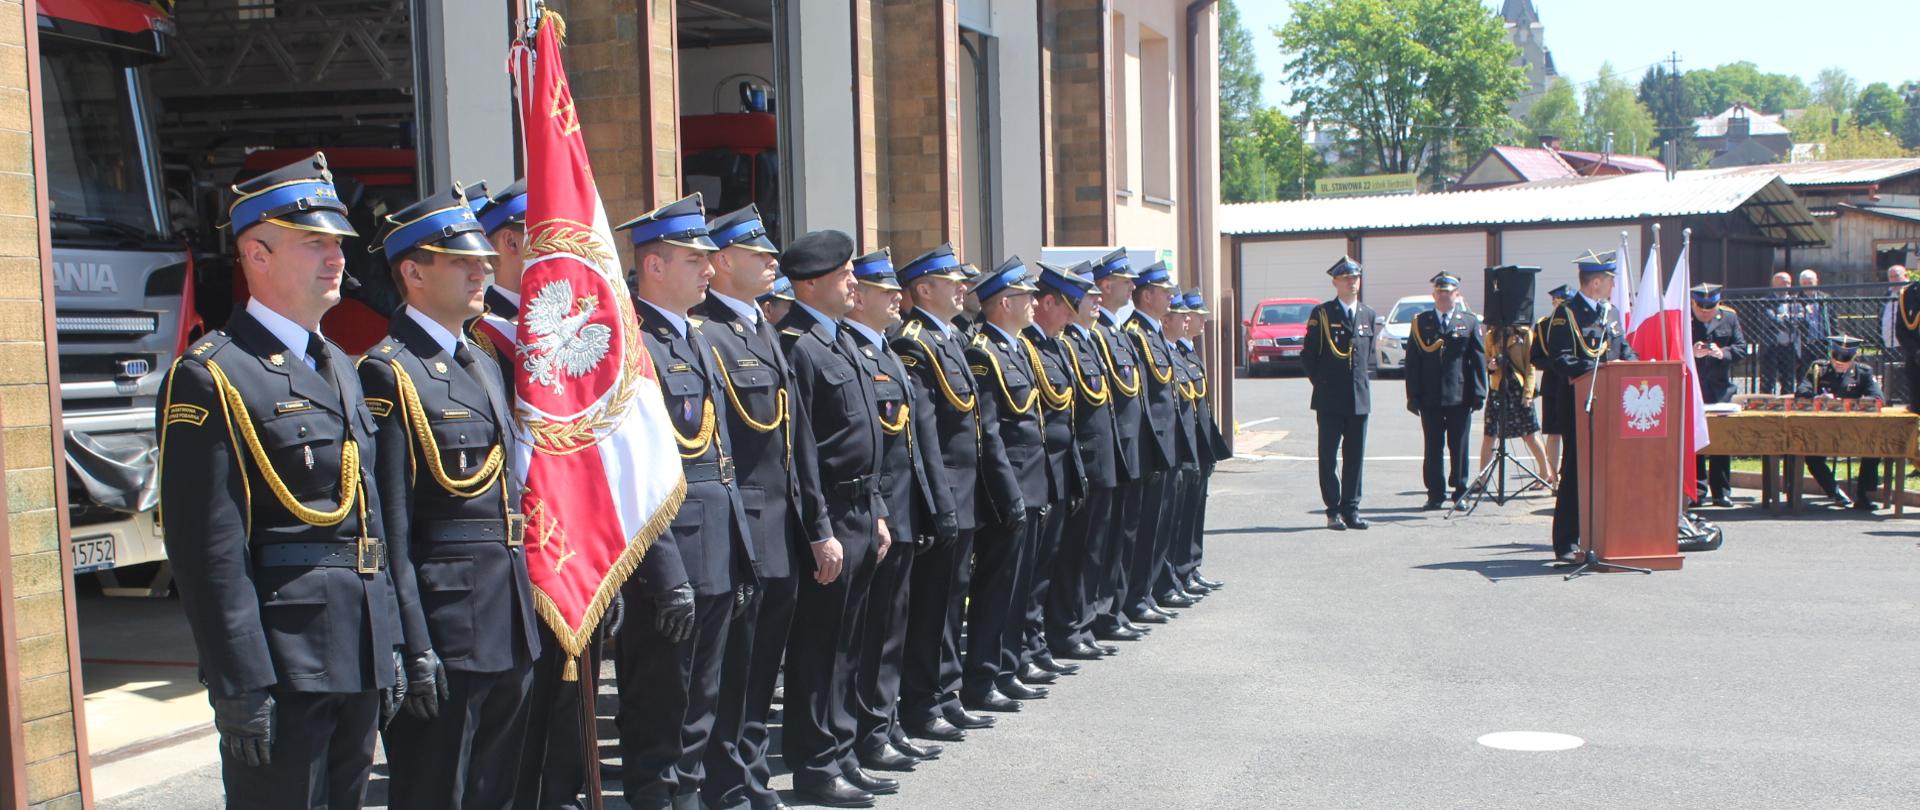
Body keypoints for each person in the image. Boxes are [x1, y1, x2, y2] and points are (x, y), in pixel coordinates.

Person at [157, 152, 407, 807]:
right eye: (313, 243)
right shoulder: (215, 374)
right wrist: (238, 680)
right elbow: (207, 547)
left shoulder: (343, 367)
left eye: (337, 244)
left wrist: (390, 643)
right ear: (257, 255)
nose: (336, 258)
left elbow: (369, 517)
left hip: (354, 648)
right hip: (282, 658)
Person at [358, 186, 539, 810]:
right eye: (461, 261)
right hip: (445, 622)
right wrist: (413, 642)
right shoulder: (389, 371)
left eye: (483, 261)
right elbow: (392, 527)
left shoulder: (481, 361)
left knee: (495, 788)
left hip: (506, 616)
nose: (481, 270)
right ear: (413, 272)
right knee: (437, 789)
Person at [613, 193, 760, 810]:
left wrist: (741, 556)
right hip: (670, 559)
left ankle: (688, 798)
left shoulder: (695, 339)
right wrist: (665, 573)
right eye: (695, 258)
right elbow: (636, 474)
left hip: (718, 549)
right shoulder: (632, 345)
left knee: (702, 704)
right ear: (653, 266)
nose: (709, 268)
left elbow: (720, 459)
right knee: (661, 706)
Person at [694, 204, 835, 810]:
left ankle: (750, 775)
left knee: (761, 671)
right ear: (723, 263)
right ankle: (726, 784)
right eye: (759, 254)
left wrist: (817, 526)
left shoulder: (763, 333)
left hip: (778, 528)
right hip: (738, 531)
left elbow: (796, 442)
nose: (772, 262)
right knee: (728, 674)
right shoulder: (706, 334)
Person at [776, 229, 896, 808]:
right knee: (818, 648)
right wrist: (820, 531)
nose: (855, 281)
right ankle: (816, 764)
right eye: (845, 274)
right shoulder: (798, 345)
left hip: (858, 506)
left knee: (848, 644)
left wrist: (874, 511)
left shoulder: (839, 339)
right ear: (811, 283)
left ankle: (843, 750)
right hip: (825, 513)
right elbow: (803, 454)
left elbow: (863, 439)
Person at [843, 248, 956, 776]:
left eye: (896, 290)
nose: (896, 299)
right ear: (857, 296)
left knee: (892, 630)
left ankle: (884, 725)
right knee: (869, 635)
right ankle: (868, 731)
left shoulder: (885, 352)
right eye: (884, 291)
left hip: (903, 510)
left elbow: (914, 441)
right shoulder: (857, 352)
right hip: (878, 510)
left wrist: (930, 506)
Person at [960, 258, 1045, 712]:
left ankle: (1008, 667)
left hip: (1031, 482)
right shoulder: (983, 353)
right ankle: (983, 676)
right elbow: (989, 433)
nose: (1033, 304)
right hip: (1006, 487)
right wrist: (1008, 491)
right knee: (995, 588)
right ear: (1004, 303)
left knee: (1018, 585)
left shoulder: (1016, 348)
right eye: (1025, 298)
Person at [1013, 263, 1090, 685]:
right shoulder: (1025, 347)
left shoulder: (1056, 347)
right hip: (1037, 470)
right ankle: (1025, 647)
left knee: (1045, 569)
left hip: (1059, 469)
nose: (1073, 316)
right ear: (1047, 302)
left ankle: (1035, 642)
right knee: (1030, 572)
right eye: (1068, 307)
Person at [1046, 261, 1125, 663]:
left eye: (1095, 296)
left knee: (1094, 548)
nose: (1093, 302)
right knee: (1074, 552)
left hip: (1098, 458)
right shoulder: (1066, 344)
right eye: (1085, 297)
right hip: (1082, 460)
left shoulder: (1086, 341)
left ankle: (1086, 619)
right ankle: (1069, 625)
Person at [1544, 250, 1638, 563]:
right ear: (1596, 282)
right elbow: (1560, 360)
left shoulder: (1609, 313)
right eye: (1611, 280)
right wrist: (1594, 369)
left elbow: (1624, 350)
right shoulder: (1566, 315)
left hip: (1612, 406)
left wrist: (1638, 367)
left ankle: (1607, 536)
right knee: (1574, 472)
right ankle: (1567, 542)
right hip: (1578, 406)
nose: (1614, 286)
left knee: (1611, 472)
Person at [1087, 249, 1153, 643]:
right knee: (1104, 538)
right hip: (1111, 449)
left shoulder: (1117, 332)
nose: (1133, 286)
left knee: (1124, 532)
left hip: (1130, 446)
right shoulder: (1098, 334)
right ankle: (1102, 612)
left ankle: (1116, 605)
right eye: (1125, 281)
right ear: (1105, 284)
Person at [1302, 256, 1378, 530]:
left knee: (1355, 455)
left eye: (1355, 277)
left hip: (1358, 397)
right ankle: (1333, 509)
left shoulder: (1368, 314)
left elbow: (1367, 357)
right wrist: (1322, 384)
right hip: (1330, 397)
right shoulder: (1322, 314)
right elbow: (1309, 356)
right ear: (1335, 282)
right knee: (1329, 454)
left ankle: (1352, 509)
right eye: (1346, 278)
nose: (1352, 282)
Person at [1404, 272, 1488, 511]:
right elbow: (1413, 362)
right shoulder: (1421, 322)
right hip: (1429, 396)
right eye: (1440, 292)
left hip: (1459, 396)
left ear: (1457, 295)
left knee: (1459, 446)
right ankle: (1435, 493)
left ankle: (1461, 492)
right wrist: (1413, 395)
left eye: (1449, 292)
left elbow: (1477, 359)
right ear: (1434, 295)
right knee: (1432, 446)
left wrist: (1480, 392)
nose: (1444, 296)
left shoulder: (1468, 321)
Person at [1166, 290, 1230, 596]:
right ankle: (1179, 572)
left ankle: (1191, 567)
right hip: (1184, 445)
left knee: (1195, 510)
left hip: (1198, 443)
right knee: (1180, 515)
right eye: (1193, 315)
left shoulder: (1188, 351)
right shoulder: (1174, 351)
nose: (1199, 320)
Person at [1799, 336, 1886, 511]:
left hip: (1853, 429)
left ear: (1854, 357)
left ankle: (1863, 496)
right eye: (1836, 357)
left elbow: (1878, 398)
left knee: (1873, 449)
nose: (1840, 362)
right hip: (1823, 429)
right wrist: (1817, 398)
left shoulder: (1863, 372)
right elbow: (1801, 391)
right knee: (1811, 456)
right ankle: (1835, 492)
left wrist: (1851, 403)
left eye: (1845, 359)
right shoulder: (1819, 369)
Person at [1480, 308, 1553, 492]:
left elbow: (1530, 367)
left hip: (1518, 390)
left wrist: (1528, 394)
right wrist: (1491, 365)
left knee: (1529, 434)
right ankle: (1482, 479)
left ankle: (1545, 474)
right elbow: (1487, 360)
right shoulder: (1491, 335)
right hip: (1498, 388)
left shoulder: (1525, 334)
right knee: (1490, 435)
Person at [1690, 283, 1747, 507]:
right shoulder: (1684, 317)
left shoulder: (1729, 318)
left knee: (1721, 440)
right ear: (1693, 303)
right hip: (1694, 386)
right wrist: (1691, 352)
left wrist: (1722, 352)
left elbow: (1741, 348)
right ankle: (1697, 489)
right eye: (1701, 308)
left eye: (1710, 307)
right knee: (1696, 440)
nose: (1706, 312)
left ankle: (1721, 491)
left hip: (1719, 388)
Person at [1532, 284, 1574, 481]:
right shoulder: (1543, 325)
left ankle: (1569, 474)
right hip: (1553, 384)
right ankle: (1552, 477)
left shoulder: (1577, 323)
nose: (1561, 306)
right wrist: (1557, 364)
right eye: (1558, 302)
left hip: (1575, 383)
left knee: (1573, 435)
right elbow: (1535, 357)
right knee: (1554, 433)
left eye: (1565, 302)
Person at [1881, 265, 1909, 407]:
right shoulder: (1887, 294)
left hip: (1904, 341)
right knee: (1889, 373)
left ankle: (1905, 401)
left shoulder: (1911, 293)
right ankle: (1889, 400)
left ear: (1905, 276)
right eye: (1891, 277)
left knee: (1903, 373)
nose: (1894, 280)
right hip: (1887, 341)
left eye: (1897, 276)